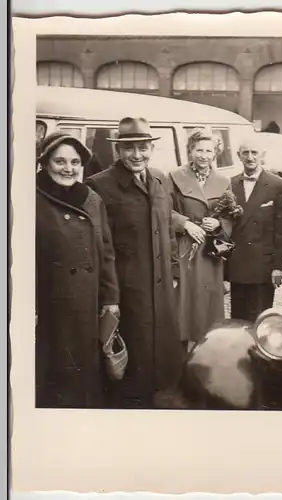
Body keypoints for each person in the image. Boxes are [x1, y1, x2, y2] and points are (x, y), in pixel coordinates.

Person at [85, 117, 184, 409]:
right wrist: (110, 295)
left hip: (162, 284)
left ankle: (159, 400)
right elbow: (101, 247)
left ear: (150, 149)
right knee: (131, 356)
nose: (137, 155)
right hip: (127, 289)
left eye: (142, 148)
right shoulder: (100, 185)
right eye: (129, 149)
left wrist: (174, 269)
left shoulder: (159, 179)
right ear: (118, 150)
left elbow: (168, 229)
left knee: (162, 355)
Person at [36, 132, 120, 408]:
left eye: (75, 162)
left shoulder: (92, 200)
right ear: (45, 163)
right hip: (48, 308)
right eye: (59, 161)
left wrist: (110, 300)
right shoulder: (30, 198)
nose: (68, 168)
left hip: (87, 304)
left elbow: (106, 252)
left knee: (83, 377)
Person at [168, 128, 231, 350]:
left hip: (211, 252)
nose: (203, 155)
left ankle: (206, 352)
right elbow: (164, 210)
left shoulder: (223, 181)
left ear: (215, 154)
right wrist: (185, 223)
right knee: (184, 302)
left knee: (207, 304)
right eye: (199, 150)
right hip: (186, 248)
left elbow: (229, 215)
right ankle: (179, 354)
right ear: (190, 152)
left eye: (209, 150)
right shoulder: (175, 177)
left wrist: (219, 224)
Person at [226, 134, 282, 323]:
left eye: (254, 152)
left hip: (263, 266)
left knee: (259, 319)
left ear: (262, 155)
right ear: (239, 156)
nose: (250, 157)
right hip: (237, 264)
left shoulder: (279, 186)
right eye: (245, 153)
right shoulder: (230, 184)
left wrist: (279, 267)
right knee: (236, 319)